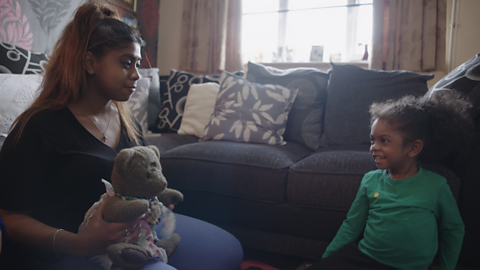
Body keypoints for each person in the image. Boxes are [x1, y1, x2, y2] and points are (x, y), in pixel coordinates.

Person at [0, 2, 242, 270]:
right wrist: (76, 243)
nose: (136, 75)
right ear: (90, 62)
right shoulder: (39, 127)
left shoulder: (128, 123)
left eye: (137, 64)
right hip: (68, 250)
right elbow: (10, 219)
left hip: (134, 233)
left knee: (228, 250)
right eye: (126, 63)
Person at [306, 92, 474, 270]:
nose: (373, 148)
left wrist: (447, 267)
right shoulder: (370, 180)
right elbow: (351, 225)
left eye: (384, 140)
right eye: (372, 140)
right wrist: (326, 260)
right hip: (363, 258)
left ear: (413, 148)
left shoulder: (436, 185)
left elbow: (453, 230)